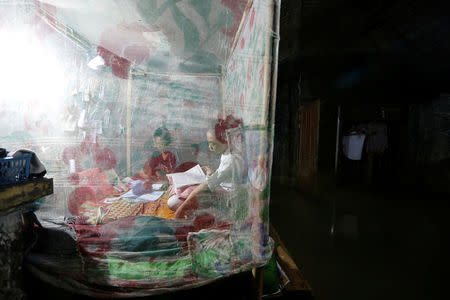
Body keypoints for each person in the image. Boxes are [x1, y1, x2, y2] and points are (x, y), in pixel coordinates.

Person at [173, 115, 244, 219]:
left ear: (225, 140)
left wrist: (183, 207)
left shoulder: (231, 158)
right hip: (222, 188)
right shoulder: (228, 152)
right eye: (209, 143)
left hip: (228, 198)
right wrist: (210, 172)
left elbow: (208, 185)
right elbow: (225, 174)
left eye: (213, 144)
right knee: (182, 190)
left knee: (176, 201)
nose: (210, 147)